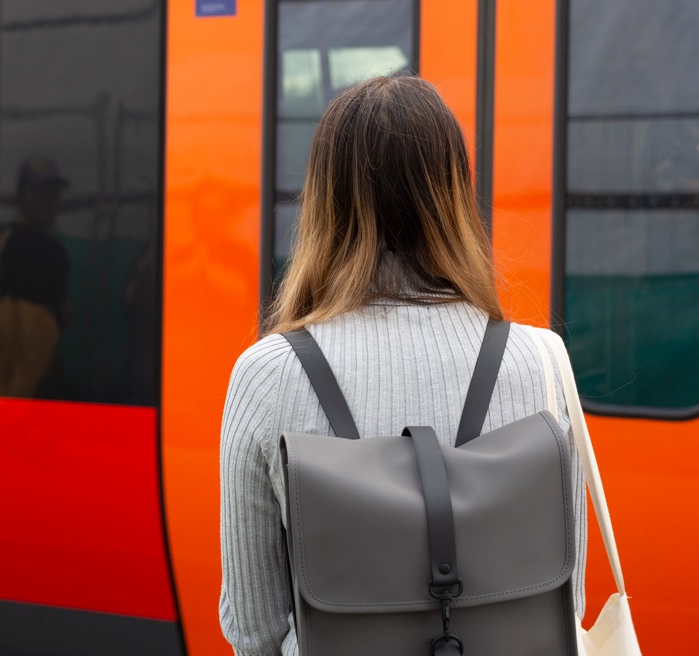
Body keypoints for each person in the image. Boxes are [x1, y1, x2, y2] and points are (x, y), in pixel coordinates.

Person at [219, 75, 587, 655]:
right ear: (455, 197)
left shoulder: (267, 374)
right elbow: (565, 602)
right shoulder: (542, 360)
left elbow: (253, 630)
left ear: (323, 201)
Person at [0, 156, 71, 398]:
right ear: (21, 196)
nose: (47, 201)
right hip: (13, 397)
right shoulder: (51, 253)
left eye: (52, 193)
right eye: (39, 192)